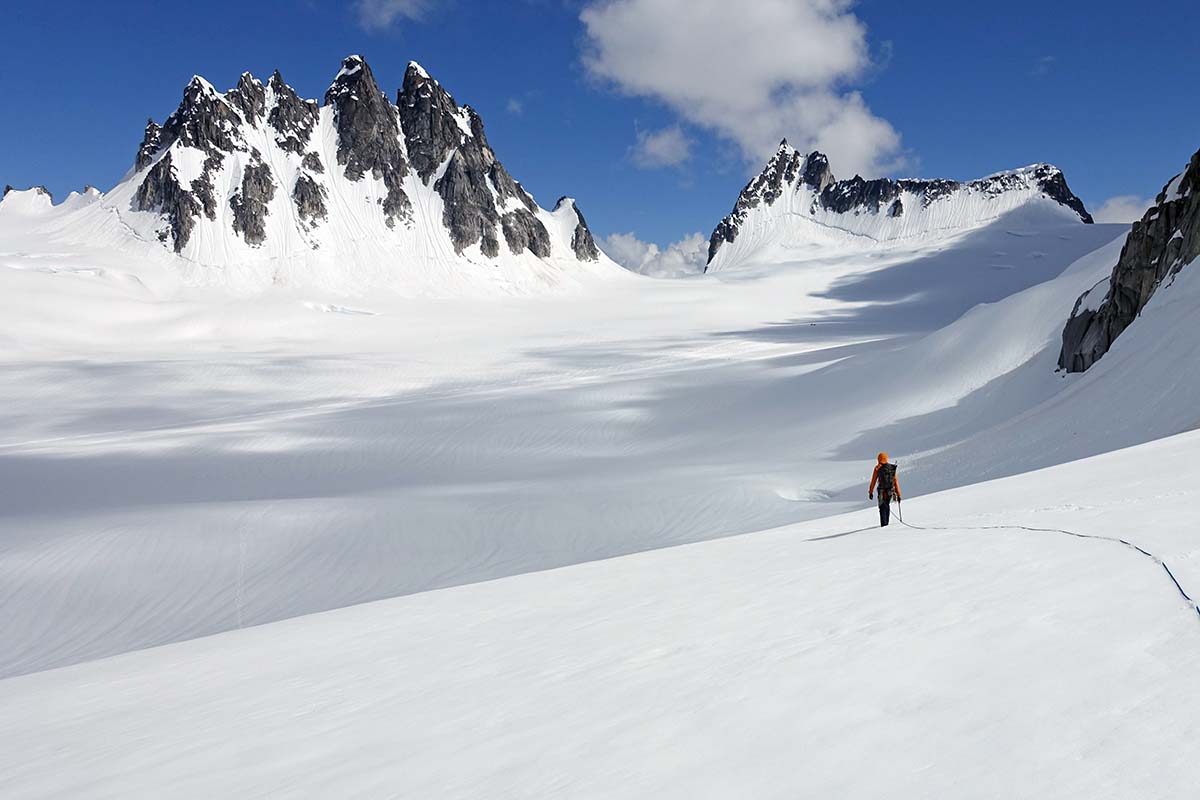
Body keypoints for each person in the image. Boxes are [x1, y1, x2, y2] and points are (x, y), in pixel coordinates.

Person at [868, 452, 901, 527]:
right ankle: (887, 524)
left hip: (881, 491)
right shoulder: (891, 468)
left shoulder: (877, 468)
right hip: (890, 491)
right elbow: (895, 481)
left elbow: (873, 481)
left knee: (882, 507)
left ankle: (884, 525)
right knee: (887, 505)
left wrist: (870, 492)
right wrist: (898, 494)